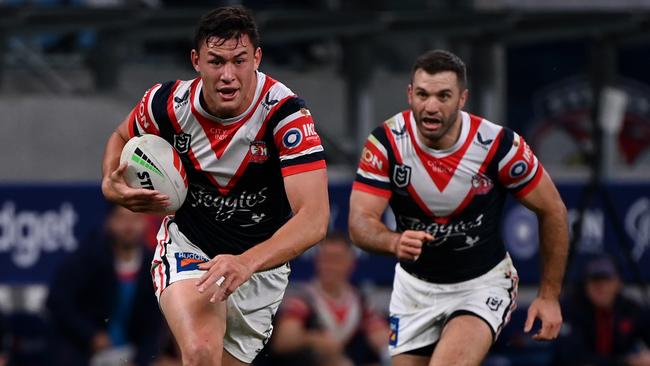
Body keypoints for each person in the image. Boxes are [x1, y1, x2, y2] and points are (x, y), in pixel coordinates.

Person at [100, 6, 329, 366]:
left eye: (239, 61)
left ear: (257, 58)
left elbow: (315, 219)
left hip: (258, 268)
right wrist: (110, 185)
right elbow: (121, 134)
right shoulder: (168, 104)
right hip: (190, 246)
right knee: (202, 352)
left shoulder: (285, 116)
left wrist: (246, 263)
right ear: (196, 61)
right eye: (216, 61)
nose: (227, 75)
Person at [348, 49, 569, 366]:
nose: (431, 106)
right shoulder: (386, 143)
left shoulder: (499, 145)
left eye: (443, 96)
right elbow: (359, 223)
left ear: (462, 99)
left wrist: (549, 296)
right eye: (423, 94)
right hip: (414, 290)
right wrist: (393, 241)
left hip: (480, 285)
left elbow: (553, 210)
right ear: (410, 94)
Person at [46, 204, 164, 366]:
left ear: (145, 223)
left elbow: (154, 324)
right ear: (109, 222)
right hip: (83, 349)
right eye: (122, 218)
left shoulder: (154, 265)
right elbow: (58, 301)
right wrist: (91, 335)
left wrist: (140, 360)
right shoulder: (87, 258)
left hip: (130, 352)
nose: (129, 226)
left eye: (135, 218)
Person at [270, 233, 389, 366]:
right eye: (324, 259)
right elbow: (283, 340)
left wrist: (387, 350)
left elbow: (380, 335)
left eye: (335, 259)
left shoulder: (360, 301)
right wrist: (312, 339)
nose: (328, 265)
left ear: (350, 264)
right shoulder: (303, 298)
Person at [553, 255, 650, 366]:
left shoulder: (630, 309)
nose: (600, 287)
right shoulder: (569, 310)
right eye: (595, 281)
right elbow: (575, 360)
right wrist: (628, 362)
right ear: (585, 285)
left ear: (618, 283)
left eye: (606, 281)